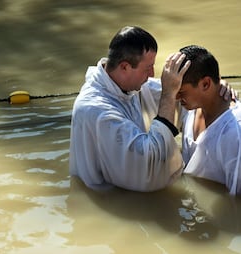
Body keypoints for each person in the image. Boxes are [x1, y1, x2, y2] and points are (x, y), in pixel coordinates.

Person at [69, 25, 192, 192]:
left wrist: (217, 87)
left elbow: (182, 94)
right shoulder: (95, 109)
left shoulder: (128, 85)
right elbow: (149, 164)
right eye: (147, 68)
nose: (152, 74)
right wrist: (169, 94)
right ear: (125, 67)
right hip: (109, 200)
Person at [177, 45, 241, 196]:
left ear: (206, 84)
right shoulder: (191, 105)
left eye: (180, 92)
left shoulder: (237, 132)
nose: (174, 97)